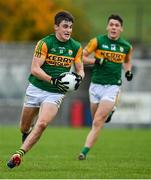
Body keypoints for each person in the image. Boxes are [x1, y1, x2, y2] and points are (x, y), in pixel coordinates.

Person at [7, 10, 84, 168]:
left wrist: (79, 78)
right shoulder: (45, 43)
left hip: (55, 93)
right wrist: (53, 79)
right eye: (65, 26)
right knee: (24, 127)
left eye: (70, 27)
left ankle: (19, 154)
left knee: (42, 124)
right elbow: (35, 69)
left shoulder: (76, 47)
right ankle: (26, 134)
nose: (68, 30)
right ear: (56, 27)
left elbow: (80, 69)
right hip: (36, 88)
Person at [78, 14, 133, 160]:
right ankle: (111, 110)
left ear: (121, 28)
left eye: (117, 25)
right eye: (111, 24)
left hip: (112, 86)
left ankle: (84, 151)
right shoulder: (97, 41)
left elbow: (127, 61)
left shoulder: (126, 46)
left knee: (97, 122)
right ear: (107, 27)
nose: (114, 27)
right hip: (95, 86)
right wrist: (96, 60)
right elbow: (80, 58)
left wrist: (128, 71)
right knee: (95, 117)